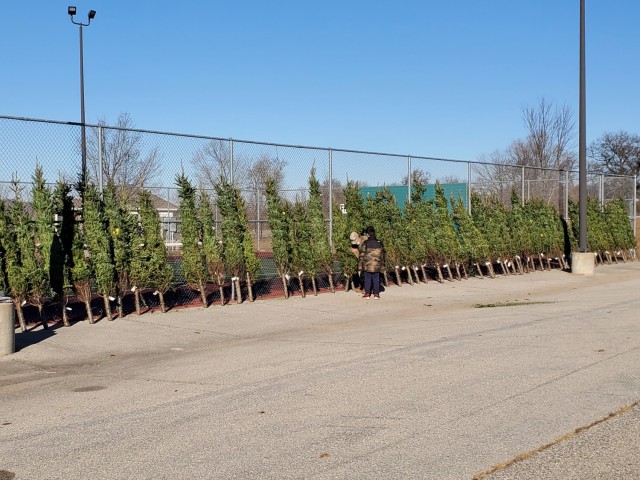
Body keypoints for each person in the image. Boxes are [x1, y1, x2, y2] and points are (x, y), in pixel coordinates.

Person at [358, 226, 385, 299]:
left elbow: (361, 255)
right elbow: (382, 255)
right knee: (376, 279)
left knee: (367, 279)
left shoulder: (365, 243)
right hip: (377, 265)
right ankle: (376, 294)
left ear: (368, 234)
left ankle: (367, 294)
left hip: (367, 265)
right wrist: (383, 266)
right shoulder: (379, 242)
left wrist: (360, 267)